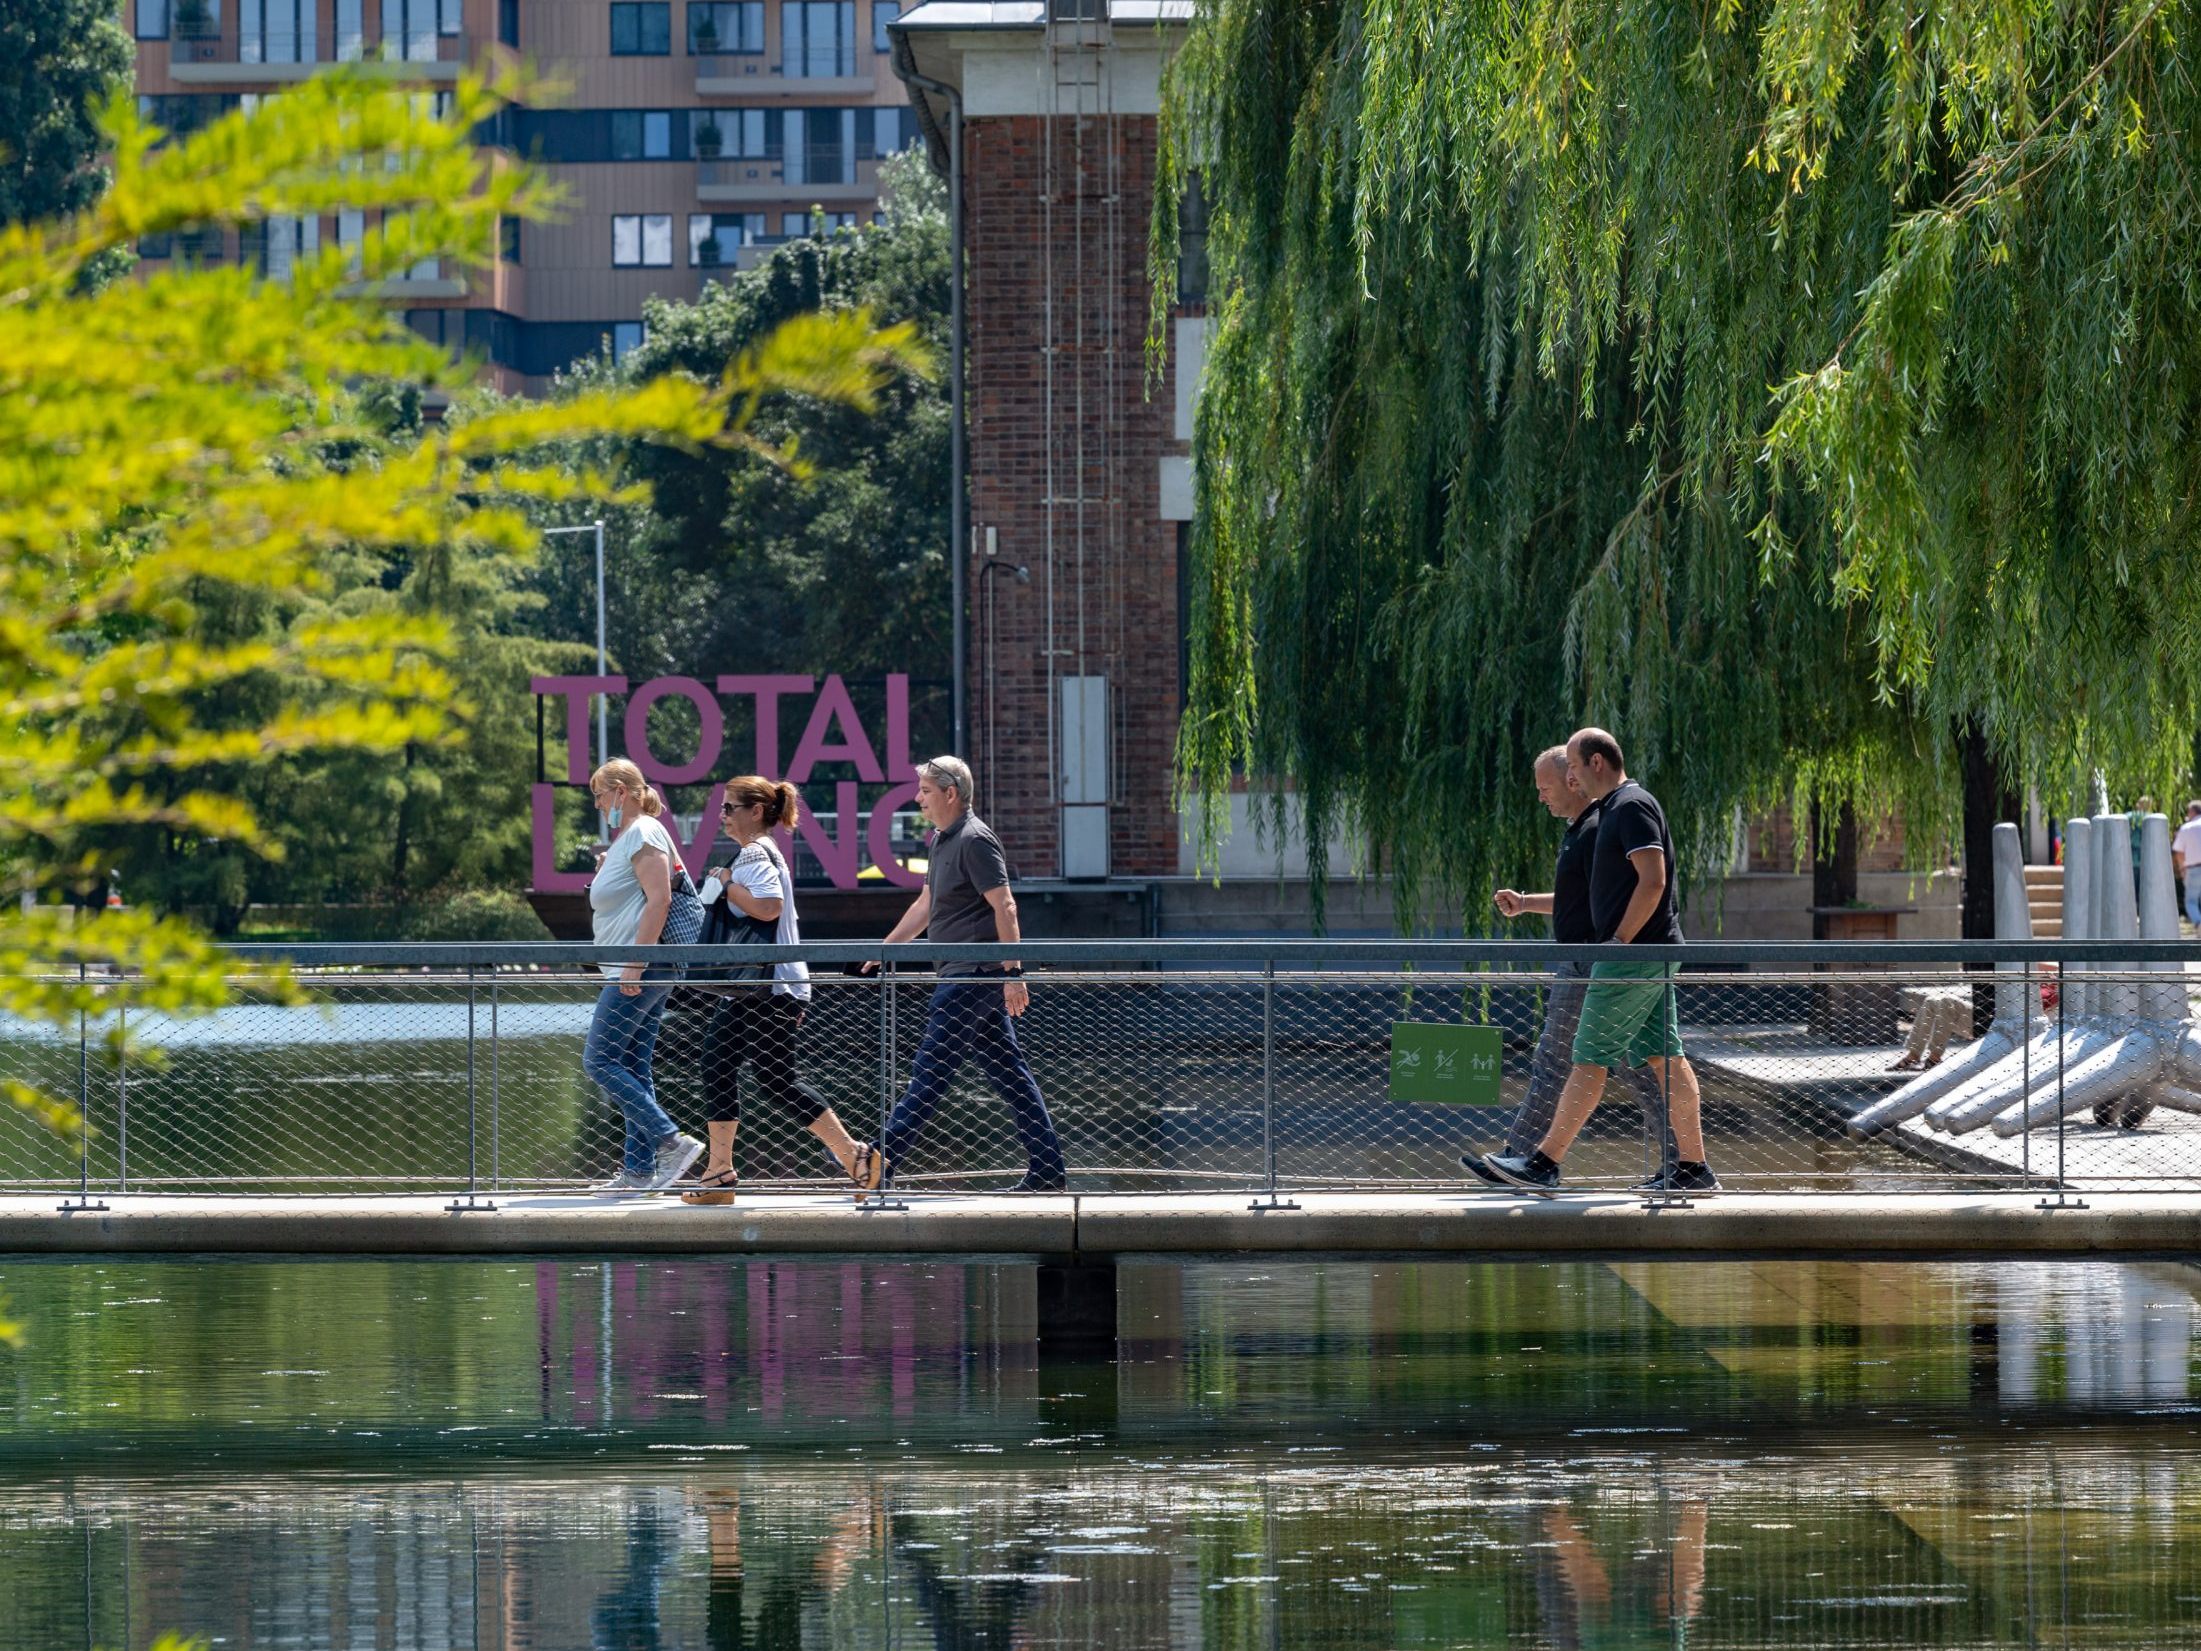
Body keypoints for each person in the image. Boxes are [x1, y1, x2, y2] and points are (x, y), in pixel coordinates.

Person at [1482, 728, 1718, 1193]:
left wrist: (1618, 941)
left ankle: (1543, 1164)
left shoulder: (1631, 805)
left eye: (1571, 766)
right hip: (1649, 952)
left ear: (1595, 763)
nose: (1569, 776)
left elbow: (1653, 879)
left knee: (1588, 1058)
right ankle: (1694, 1169)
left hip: (1632, 957)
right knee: (1666, 1058)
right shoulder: (1613, 810)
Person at [859, 755, 1067, 1194]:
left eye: (926, 792)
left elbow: (1005, 906)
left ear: (950, 794)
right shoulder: (941, 840)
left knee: (929, 1075)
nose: (918, 799)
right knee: (1011, 1076)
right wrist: (886, 950)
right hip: (969, 976)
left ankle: (879, 1162)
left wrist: (1014, 973)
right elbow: (925, 905)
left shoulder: (975, 840)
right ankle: (1048, 1172)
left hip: (972, 978)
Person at [683, 776, 869, 1205]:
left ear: (756, 811)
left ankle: (856, 1156)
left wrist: (727, 884)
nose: (723, 816)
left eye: (730, 808)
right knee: (718, 1063)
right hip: (758, 988)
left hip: (771, 987)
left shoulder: (753, 853)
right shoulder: (760, 853)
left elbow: (769, 907)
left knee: (775, 1080)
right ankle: (720, 1173)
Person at [584, 757, 706, 1197]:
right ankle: (638, 1172)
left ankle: (671, 1140)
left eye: (600, 795)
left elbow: (660, 900)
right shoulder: (629, 838)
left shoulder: (644, 831)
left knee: (598, 1061)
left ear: (621, 791)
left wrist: (635, 962)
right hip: (638, 965)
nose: (598, 804)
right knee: (634, 1065)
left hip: (641, 967)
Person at [1889, 985, 1970, 1071]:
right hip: (1974, 1012)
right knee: (1931, 1001)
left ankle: (1934, 1058)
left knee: (1946, 1002)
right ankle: (1913, 1056)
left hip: (1981, 1021)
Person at [2173, 801, 2201, 929]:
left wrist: (2182, 868)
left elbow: (2179, 851)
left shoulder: (2187, 828)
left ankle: (2199, 922)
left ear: (2192, 812)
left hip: (2194, 869)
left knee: (2191, 901)